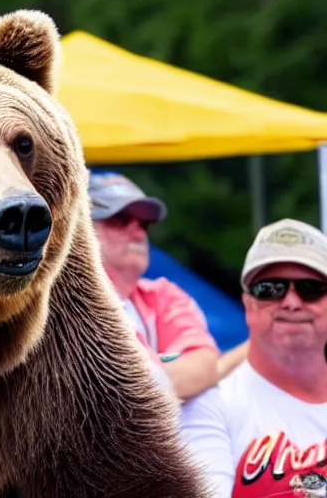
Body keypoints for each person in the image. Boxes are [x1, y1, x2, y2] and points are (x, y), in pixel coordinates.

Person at [180, 218, 327, 497]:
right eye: (270, 288)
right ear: (248, 304)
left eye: (311, 288)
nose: (292, 302)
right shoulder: (212, 406)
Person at [88, 170, 220, 401]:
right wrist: (164, 376)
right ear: (81, 228)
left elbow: (204, 365)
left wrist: (144, 383)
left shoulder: (160, 295)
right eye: (120, 219)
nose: (138, 232)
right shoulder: (63, 305)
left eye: (144, 223)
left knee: (207, 399)